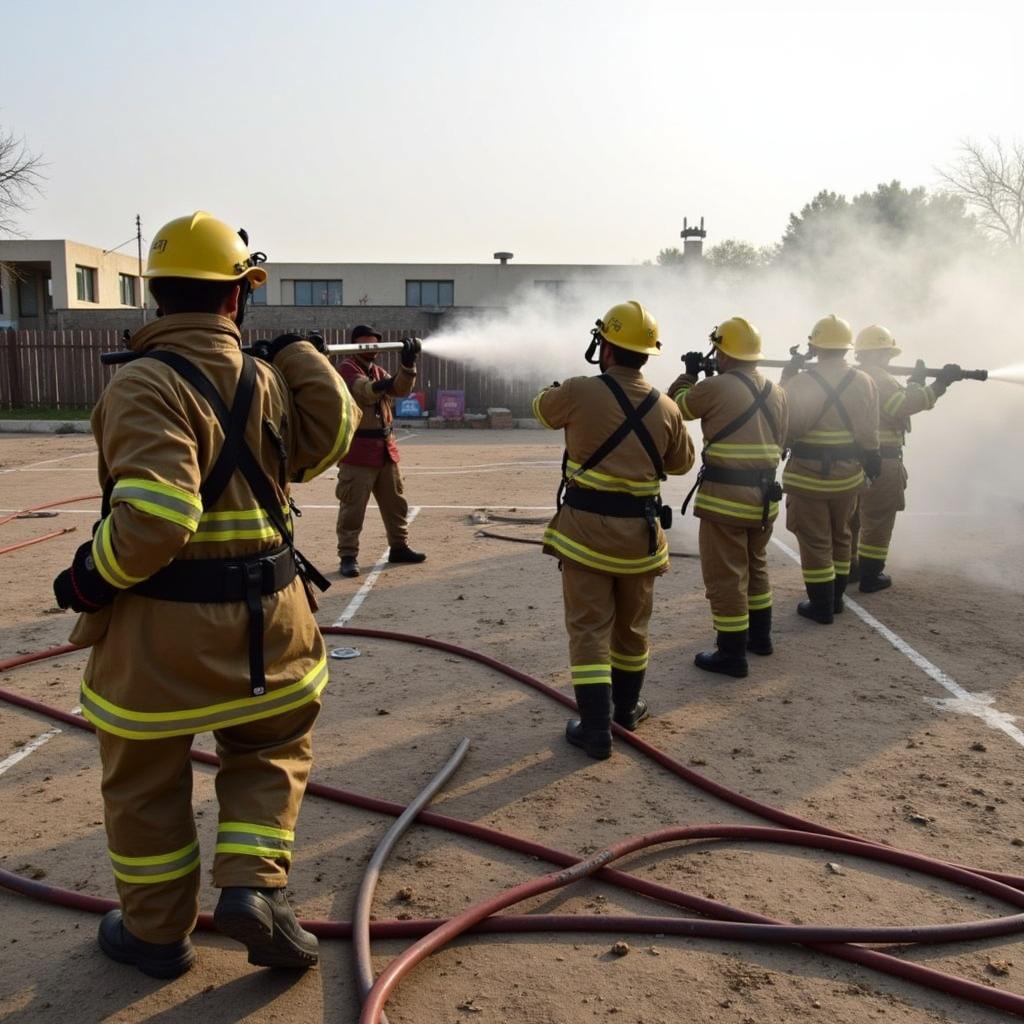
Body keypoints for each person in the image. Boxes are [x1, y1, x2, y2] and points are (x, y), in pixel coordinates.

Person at [52, 211, 358, 979]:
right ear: (236, 298)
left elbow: (157, 517)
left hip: (163, 640)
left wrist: (88, 576)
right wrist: (302, 357)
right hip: (275, 625)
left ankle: (157, 935)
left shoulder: (144, 384)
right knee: (270, 749)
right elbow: (332, 438)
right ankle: (254, 889)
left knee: (146, 782)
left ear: (157, 297)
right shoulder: (266, 378)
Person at [533, 301, 694, 759]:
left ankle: (596, 729)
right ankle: (625, 711)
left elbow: (543, 410)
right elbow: (682, 462)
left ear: (604, 346)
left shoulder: (581, 390)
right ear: (647, 354)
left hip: (584, 536)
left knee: (588, 629)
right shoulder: (666, 405)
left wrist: (558, 389)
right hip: (639, 540)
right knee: (631, 629)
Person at [668, 317, 789, 677]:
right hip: (765, 498)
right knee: (756, 565)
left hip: (726, 499)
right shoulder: (776, 391)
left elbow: (676, 407)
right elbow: (782, 439)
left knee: (726, 576)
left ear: (722, 352)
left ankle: (731, 653)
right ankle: (760, 638)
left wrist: (690, 374)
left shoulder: (717, 387)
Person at [781, 314, 880, 623]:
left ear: (815, 345)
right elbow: (869, 431)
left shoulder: (800, 382)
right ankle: (836, 600)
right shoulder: (864, 381)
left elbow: (784, 423)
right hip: (848, 476)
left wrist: (786, 377)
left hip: (807, 476)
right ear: (847, 348)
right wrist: (872, 458)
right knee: (841, 536)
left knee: (814, 540)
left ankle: (821, 606)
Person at [850, 325, 960, 591]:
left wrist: (914, 382)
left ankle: (849, 568)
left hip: (851, 461)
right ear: (880, 353)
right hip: (882, 460)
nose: (889, 359)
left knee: (851, 517)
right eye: (887, 353)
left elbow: (894, 401)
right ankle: (871, 575)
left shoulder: (853, 376)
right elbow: (901, 406)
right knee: (878, 517)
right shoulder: (881, 377)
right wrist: (940, 384)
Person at [335, 325, 426, 577]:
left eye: (375, 343)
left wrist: (408, 365)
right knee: (353, 508)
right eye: (367, 343)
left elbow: (400, 389)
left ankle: (399, 546)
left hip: (386, 449)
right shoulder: (346, 369)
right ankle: (348, 555)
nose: (373, 348)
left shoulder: (377, 370)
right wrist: (388, 381)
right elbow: (365, 391)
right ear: (356, 344)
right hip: (358, 452)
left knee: (395, 503)